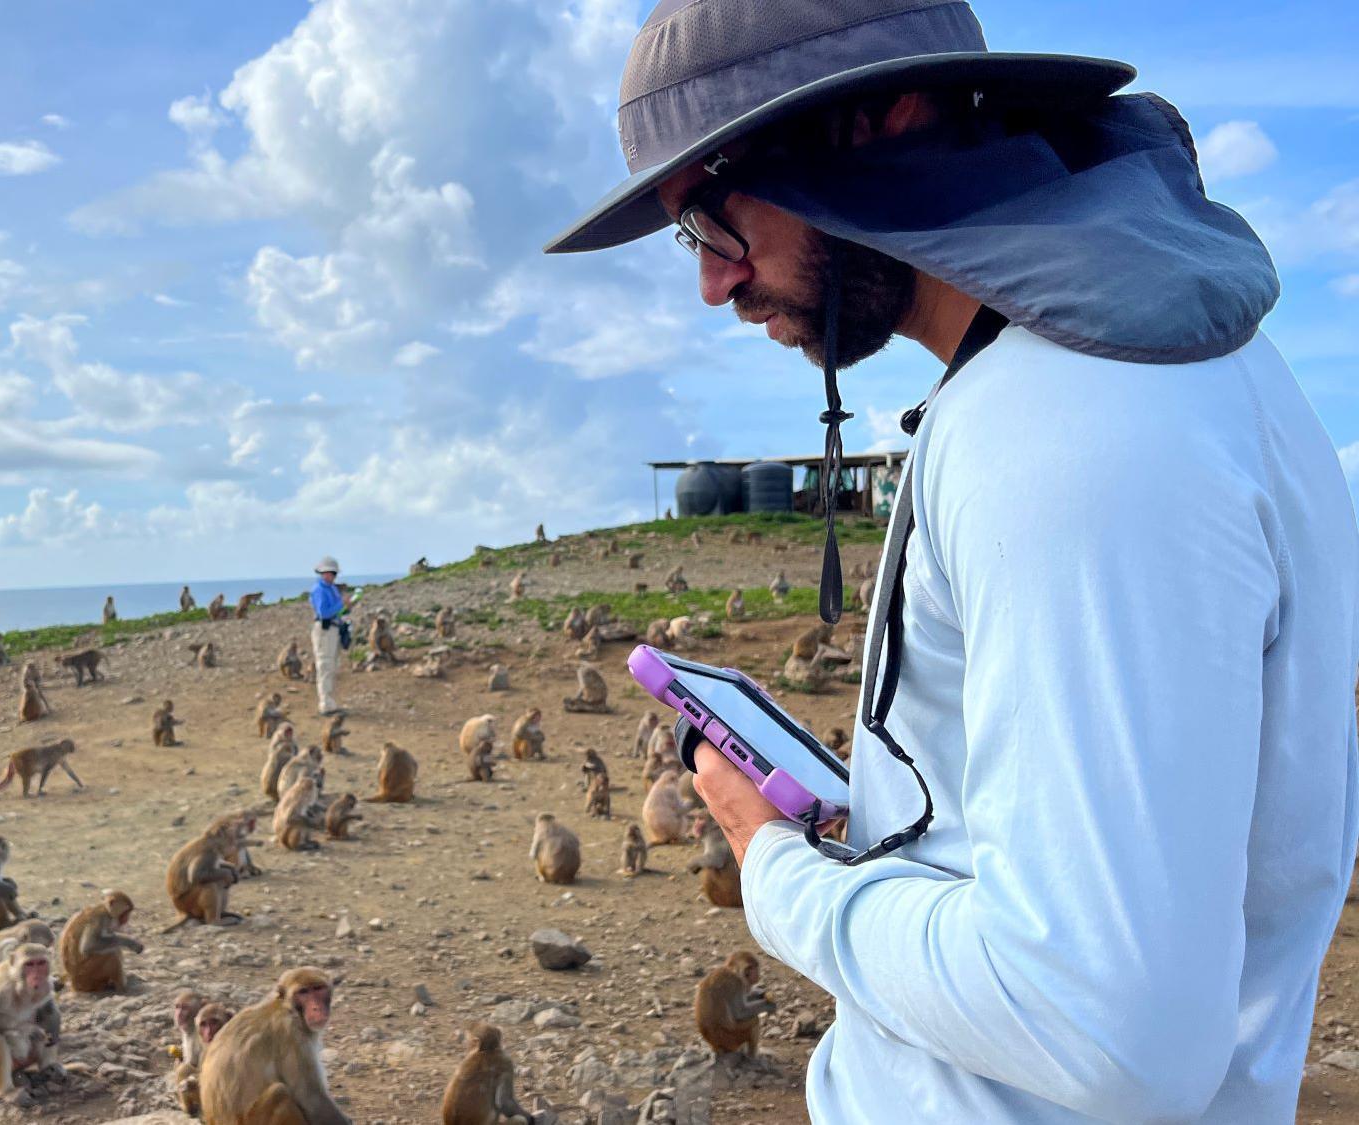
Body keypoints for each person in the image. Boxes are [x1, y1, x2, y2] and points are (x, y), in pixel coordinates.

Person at [550, 2, 1359, 1122]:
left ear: (880, 119)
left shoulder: (1065, 427)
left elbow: (1108, 1030)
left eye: (708, 224)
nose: (711, 286)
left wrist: (780, 876)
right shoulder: (1192, 375)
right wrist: (871, 825)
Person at [308, 556, 348, 716]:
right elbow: (324, 613)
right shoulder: (319, 589)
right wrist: (342, 604)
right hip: (324, 630)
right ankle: (325, 703)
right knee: (325, 665)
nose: (331, 575)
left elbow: (336, 611)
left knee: (331, 665)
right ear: (322, 573)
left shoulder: (331, 588)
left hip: (334, 628)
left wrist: (346, 608)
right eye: (328, 572)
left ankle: (329, 701)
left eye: (333, 573)